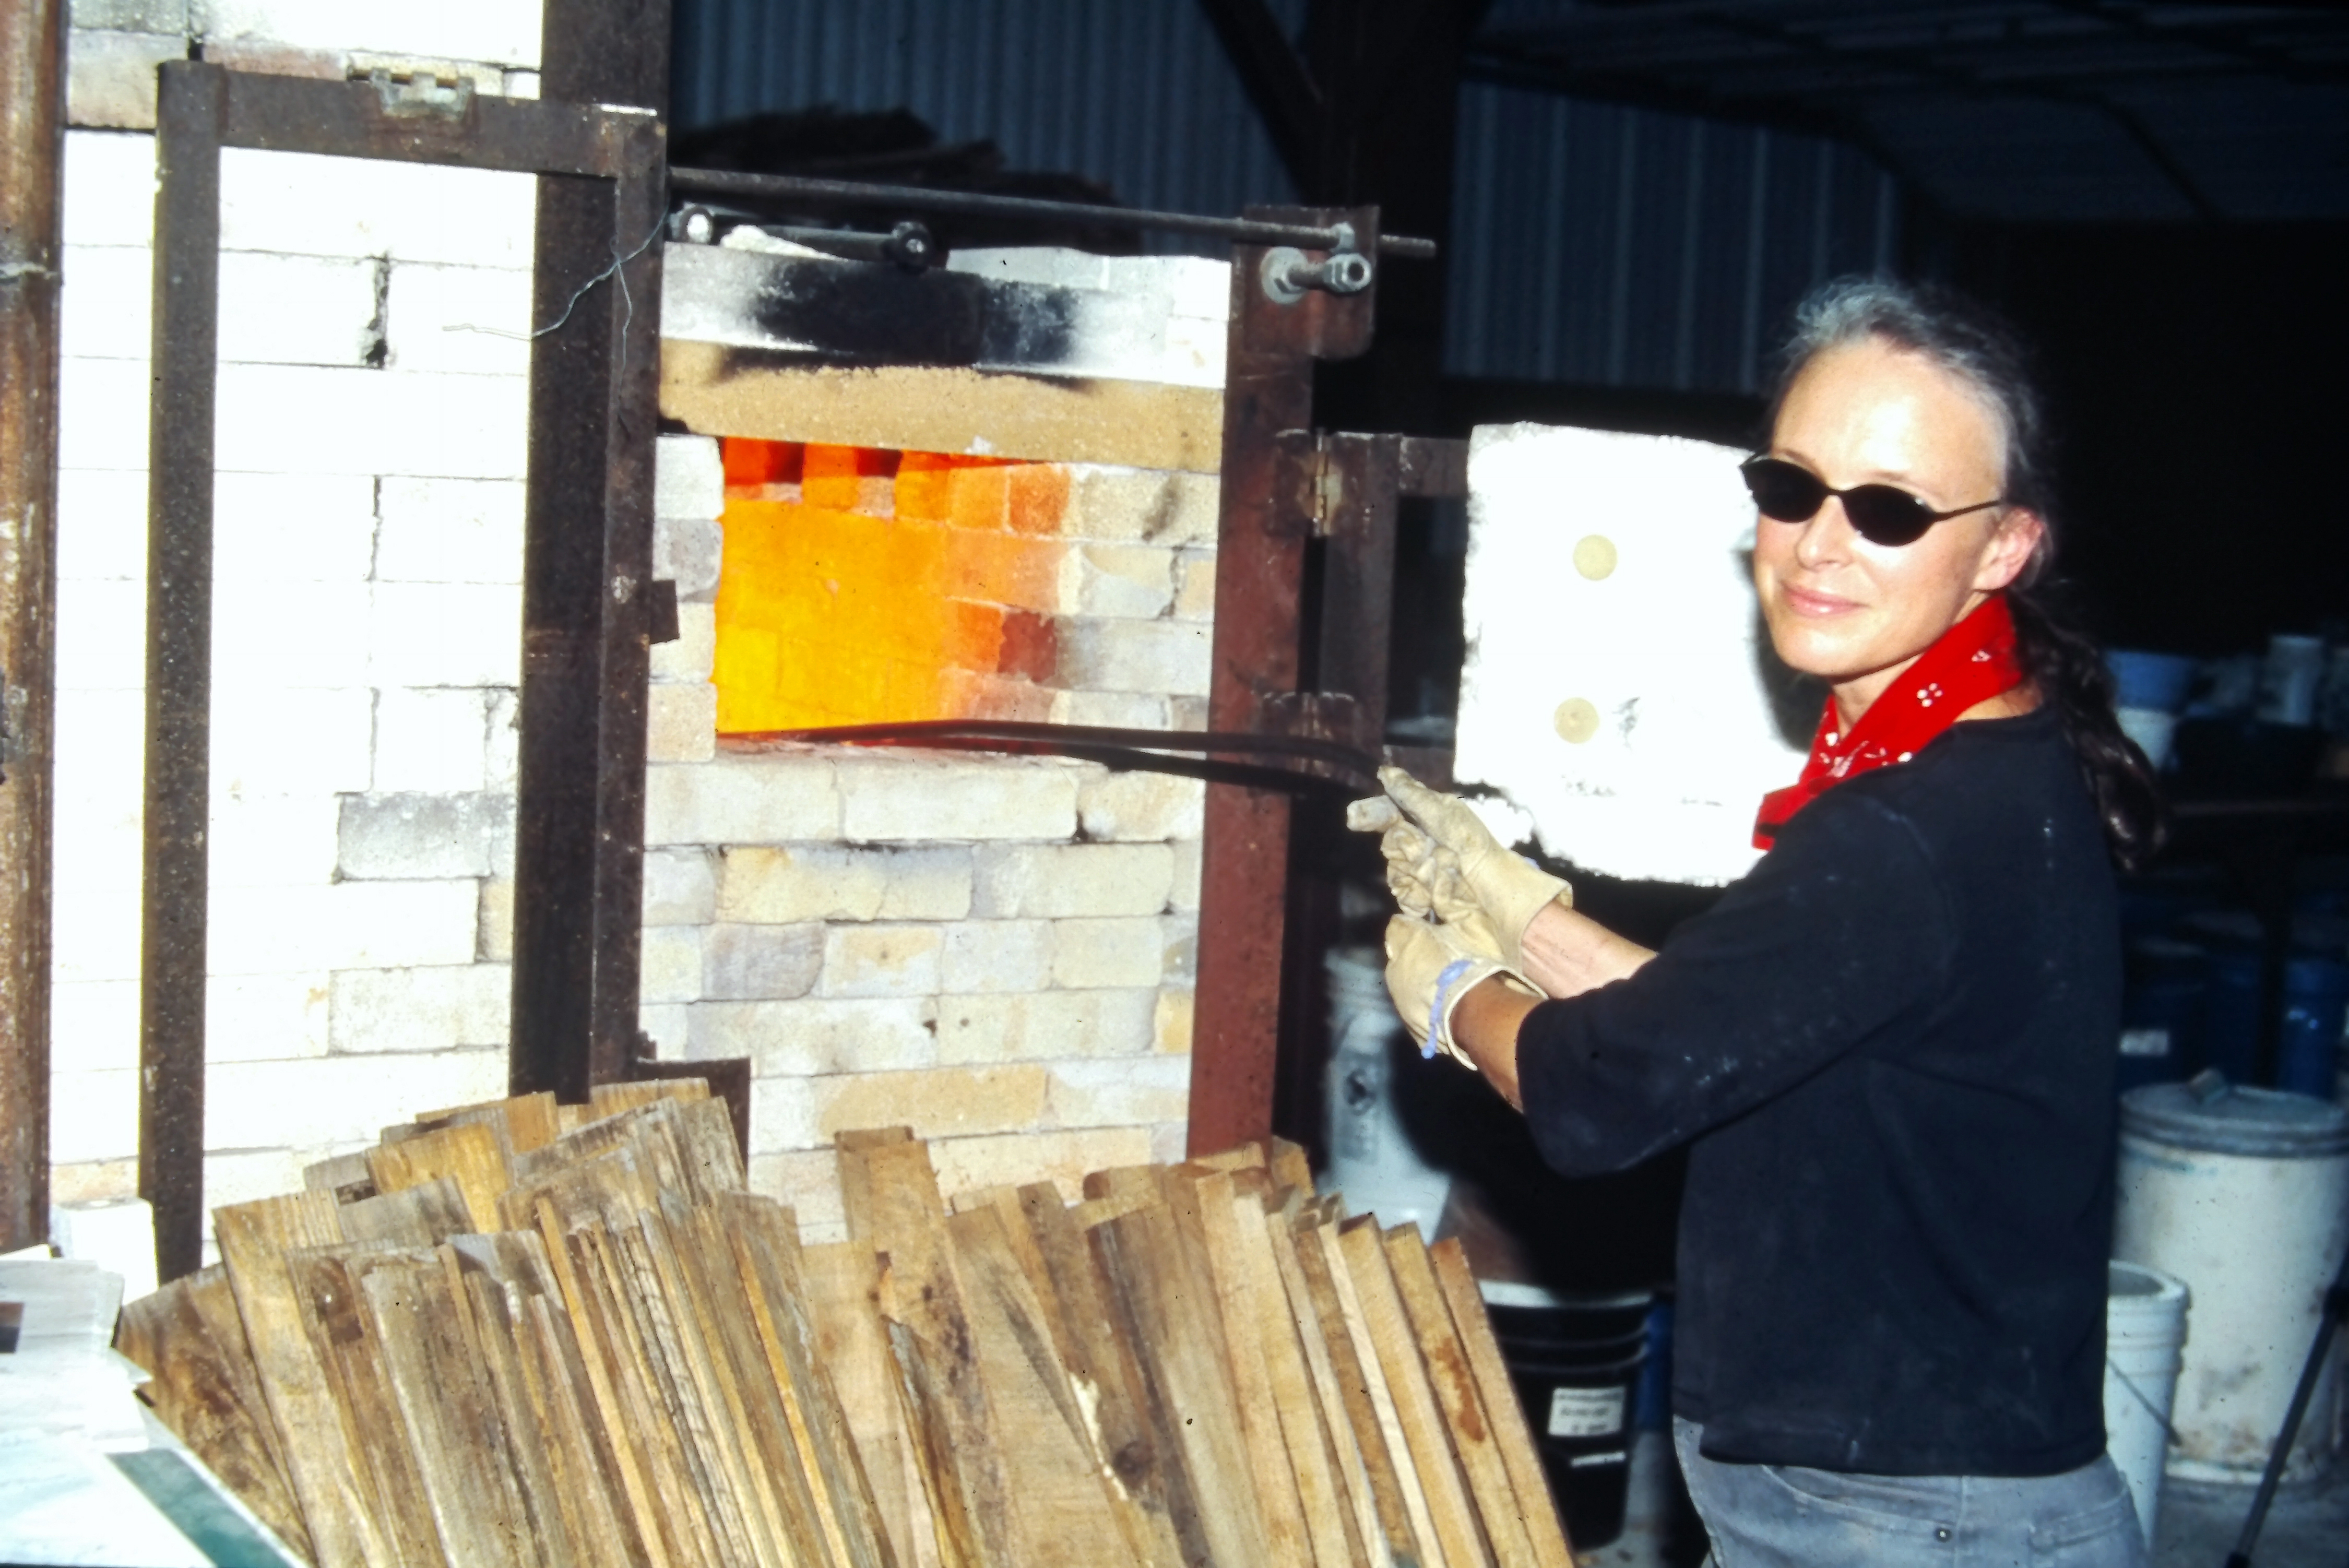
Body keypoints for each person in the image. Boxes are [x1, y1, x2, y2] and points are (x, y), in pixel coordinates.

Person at [1361, 277, 2162, 1566]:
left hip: (1911, 1516)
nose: (1820, 544)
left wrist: (1450, 990)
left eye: (1890, 509)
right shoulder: (1991, 758)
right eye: (1794, 488)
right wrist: (1524, 909)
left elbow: (1600, 1092)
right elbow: (1730, 1022)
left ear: (2004, 547)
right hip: (1923, 1492)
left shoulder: (1905, 828)